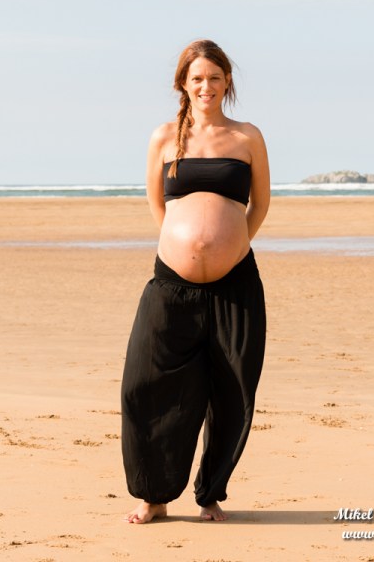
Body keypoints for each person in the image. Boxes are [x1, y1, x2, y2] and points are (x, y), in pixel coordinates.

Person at [121, 39, 270, 524]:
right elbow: (157, 205)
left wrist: (228, 248)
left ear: (228, 82)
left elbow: (260, 204)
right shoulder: (164, 137)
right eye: (197, 78)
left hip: (235, 284)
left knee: (231, 388)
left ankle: (210, 494)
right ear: (183, 84)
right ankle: (154, 495)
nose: (206, 86)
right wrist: (187, 248)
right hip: (171, 284)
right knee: (147, 385)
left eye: (215, 77)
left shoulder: (248, 137)